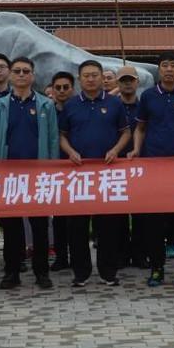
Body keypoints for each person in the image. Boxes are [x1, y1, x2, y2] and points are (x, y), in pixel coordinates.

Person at [128, 51, 174, 287]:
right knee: (154, 222)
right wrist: (136, 150)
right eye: (164, 65)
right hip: (154, 168)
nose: (169, 69)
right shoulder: (148, 96)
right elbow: (140, 128)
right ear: (159, 70)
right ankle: (157, 268)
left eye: (173, 65)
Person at [59, 59, 132, 287]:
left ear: (102, 78)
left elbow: (126, 133)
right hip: (77, 174)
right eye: (86, 75)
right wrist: (70, 152)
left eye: (94, 75)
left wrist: (116, 150)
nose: (91, 79)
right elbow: (61, 135)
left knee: (108, 226)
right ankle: (81, 273)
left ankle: (107, 272)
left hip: (107, 173)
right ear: (80, 80)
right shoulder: (70, 105)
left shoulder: (114, 103)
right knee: (77, 227)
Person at [0, 56, 58, 289]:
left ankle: (41, 272)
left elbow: (53, 139)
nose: (20, 75)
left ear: (33, 76)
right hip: (9, 175)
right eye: (16, 71)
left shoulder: (45, 105)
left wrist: (53, 170)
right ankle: (12, 272)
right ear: (10, 75)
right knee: (11, 227)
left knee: (39, 227)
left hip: (38, 175)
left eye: (25, 71)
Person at [115, 65, 148, 269]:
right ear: (118, 84)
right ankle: (120, 254)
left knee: (141, 214)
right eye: (123, 80)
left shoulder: (145, 105)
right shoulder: (111, 105)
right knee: (118, 214)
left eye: (131, 80)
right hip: (116, 165)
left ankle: (140, 254)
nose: (127, 83)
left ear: (137, 82)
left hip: (141, 165)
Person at [48, 71, 75, 272]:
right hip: (54, 168)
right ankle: (60, 257)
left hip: (78, 167)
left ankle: (76, 256)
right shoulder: (47, 109)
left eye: (66, 87)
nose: (62, 91)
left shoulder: (78, 108)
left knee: (77, 218)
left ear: (72, 89)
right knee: (58, 217)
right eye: (58, 87)